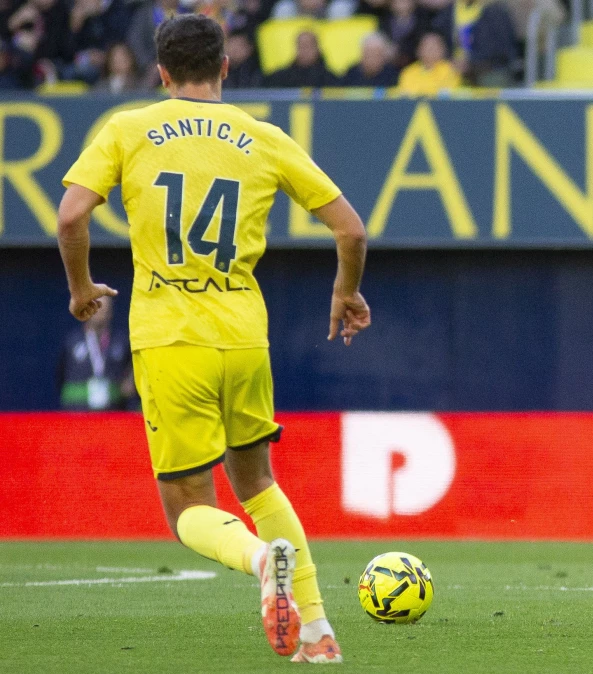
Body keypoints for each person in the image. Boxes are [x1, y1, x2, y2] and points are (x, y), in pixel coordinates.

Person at [57, 14, 370, 662]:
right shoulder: (263, 136)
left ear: (161, 72)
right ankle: (317, 635)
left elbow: (71, 215)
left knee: (187, 507)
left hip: (170, 338)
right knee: (258, 483)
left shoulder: (128, 128)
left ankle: (259, 560)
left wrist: (81, 286)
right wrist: (346, 292)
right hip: (243, 337)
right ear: (227, 67)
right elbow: (351, 231)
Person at [57, 295, 135, 410]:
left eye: (105, 308)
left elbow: (132, 368)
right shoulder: (72, 341)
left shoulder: (122, 342)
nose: (101, 312)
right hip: (77, 414)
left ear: (111, 312)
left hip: (113, 414)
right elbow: (60, 375)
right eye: (97, 307)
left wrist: (130, 381)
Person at [264, 30, 340, 87]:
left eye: (308, 46)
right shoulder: (280, 77)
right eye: (301, 46)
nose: (304, 51)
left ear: (317, 49)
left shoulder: (330, 79)